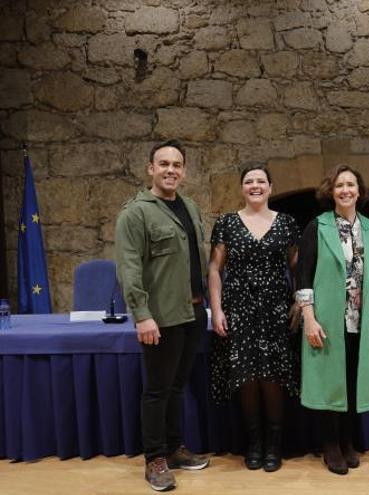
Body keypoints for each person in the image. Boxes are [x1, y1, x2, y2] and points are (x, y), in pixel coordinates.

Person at [115, 139, 210, 492]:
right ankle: (154, 459)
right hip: (161, 318)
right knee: (157, 390)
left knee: (177, 387)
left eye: (177, 164)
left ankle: (173, 448)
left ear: (184, 171)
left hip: (194, 312)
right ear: (150, 169)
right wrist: (142, 315)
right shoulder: (135, 213)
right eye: (164, 164)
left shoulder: (190, 207)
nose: (171, 170)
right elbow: (128, 268)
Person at [207, 165, 300, 472]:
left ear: (271, 187)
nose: (255, 185)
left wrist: (301, 303)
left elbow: (298, 269)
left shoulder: (286, 223)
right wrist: (218, 310)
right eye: (249, 181)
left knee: (273, 377)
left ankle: (274, 444)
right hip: (239, 309)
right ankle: (254, 443)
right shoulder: (227, 223)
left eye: (261, 181)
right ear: (242, 188)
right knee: (246, 377)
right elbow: (214, 270)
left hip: (276, 310)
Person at [294, 164, 369, 475]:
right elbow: (303, 275)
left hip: (359, 321)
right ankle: (330, 445)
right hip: (328, 321)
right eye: (339, 185)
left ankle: (348, 441)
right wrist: (309, 317)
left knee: (352, 382)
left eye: (351, 185)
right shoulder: (317, 227)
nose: (345, 190)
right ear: (331, 192)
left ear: (360, 192)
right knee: (330, 382)